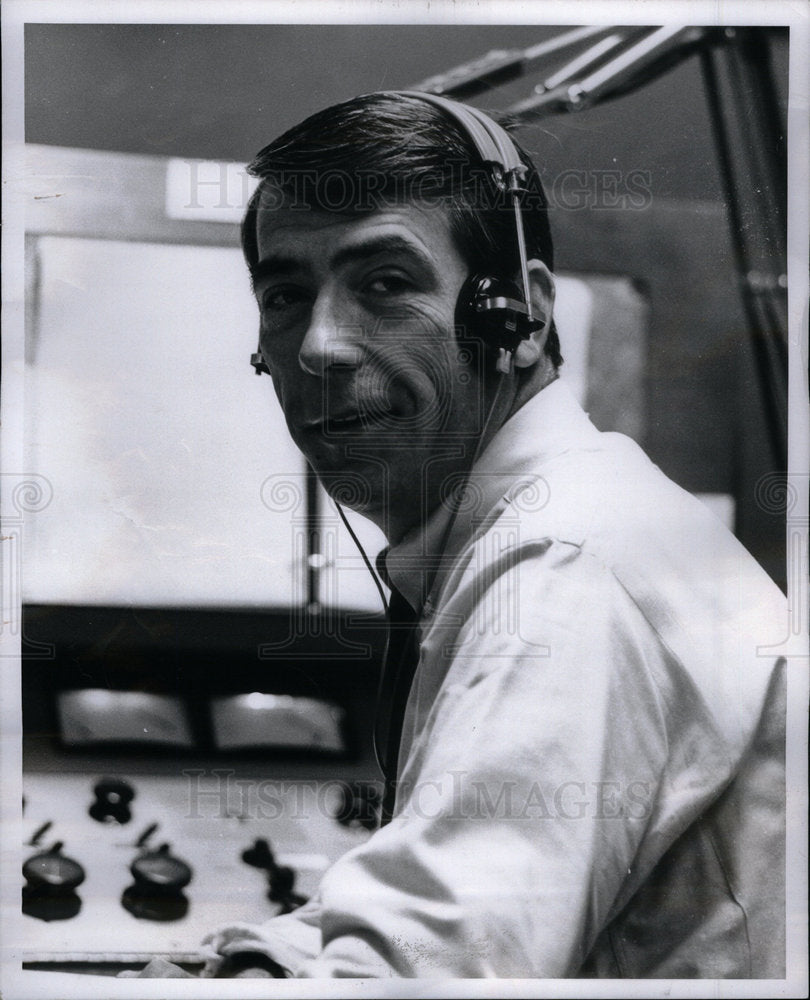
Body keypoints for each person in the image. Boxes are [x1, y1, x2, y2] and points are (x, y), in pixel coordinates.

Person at [139, 91, 787, 979]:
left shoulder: (562, 566)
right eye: (286, 294)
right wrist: (268, 958)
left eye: (385, 284)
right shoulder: (554, 526)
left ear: (518, 317)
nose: (319, 347)